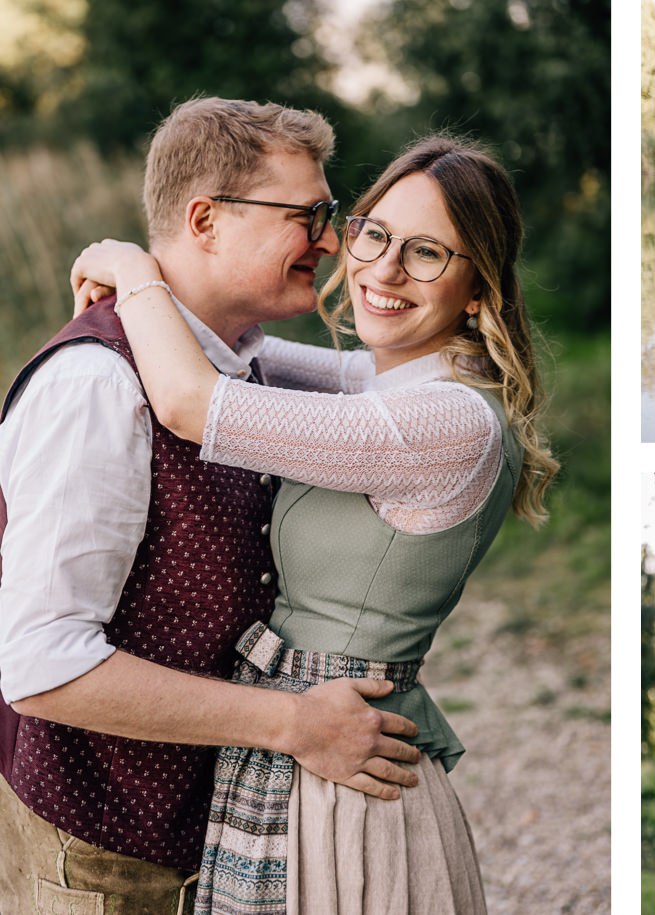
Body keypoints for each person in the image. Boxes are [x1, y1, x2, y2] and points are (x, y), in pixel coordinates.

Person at [70, 132, 556, 914]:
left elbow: (193, 401)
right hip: (311, 745)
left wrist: (133, 269)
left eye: (427, 252)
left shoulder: (446, 422)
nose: (383, 270)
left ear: (479, 289)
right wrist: (173, 283)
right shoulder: (396, 382)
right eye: (374, 234)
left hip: (344, 780)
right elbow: (246, 354)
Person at [0, 97, 425, 915]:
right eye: (307, 216)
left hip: (181, 824)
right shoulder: (96, 384)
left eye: (329, 216)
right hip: (95, 846)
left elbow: (414, 389)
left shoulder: (239, 362)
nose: (329, 242)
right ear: (205, 220)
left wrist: (131, 266)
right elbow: (42, 665)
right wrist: (295, 724)